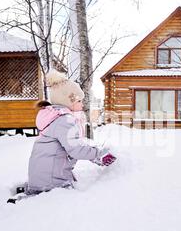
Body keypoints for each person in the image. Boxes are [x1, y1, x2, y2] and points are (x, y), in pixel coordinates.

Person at [11, 70, 116, 202]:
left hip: (42, 176)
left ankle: (33, 192)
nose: (82, 104)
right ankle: (30, 200)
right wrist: (99, 153)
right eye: (79, 101)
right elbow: (76, 150)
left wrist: (95, 156)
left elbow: (75, 146)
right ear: (68, 101)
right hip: (52, 181)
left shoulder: (54, 117)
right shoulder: (65, 121)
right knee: (74, 201)